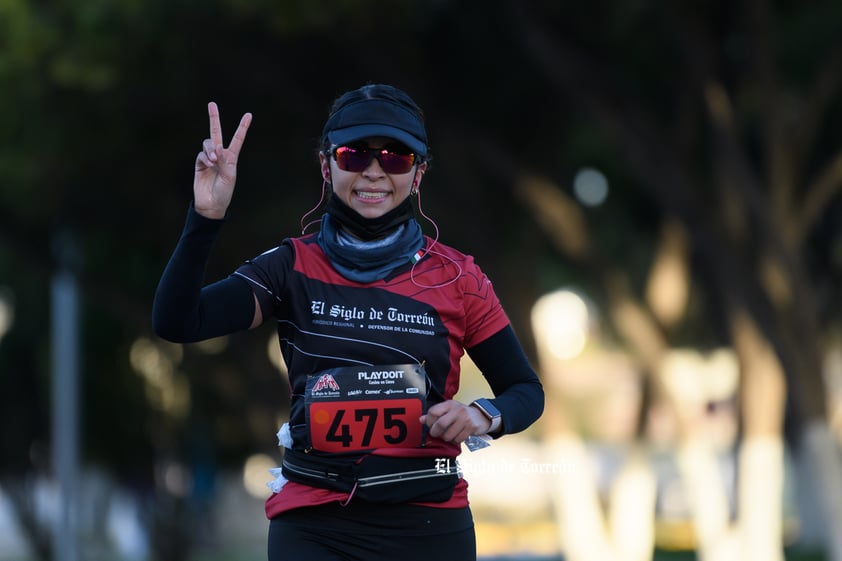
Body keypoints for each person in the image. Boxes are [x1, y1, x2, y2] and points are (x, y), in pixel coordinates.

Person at [153, 83, 544, 561]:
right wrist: (205, 215)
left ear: (418, 173)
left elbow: (525, 390)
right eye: (354, 155)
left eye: (396, 157)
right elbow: (179, 321)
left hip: (428, 523)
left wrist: (481, 415)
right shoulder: (289, 266)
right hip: (314, 525)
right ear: (326, 165)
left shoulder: (459, 277)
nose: (375, 171)